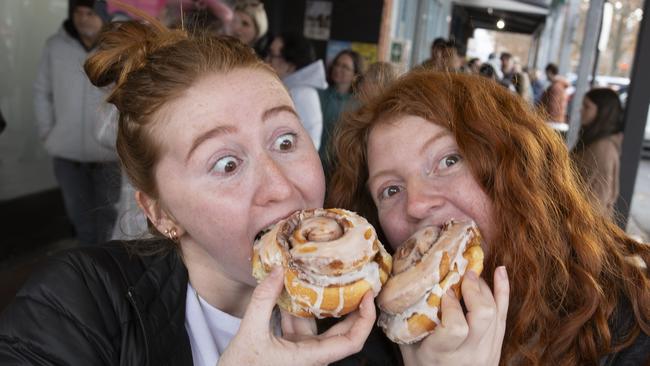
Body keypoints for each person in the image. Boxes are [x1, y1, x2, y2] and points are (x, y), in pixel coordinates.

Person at [0, 14, 379, 365]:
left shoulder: (365, 314)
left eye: (284, 142)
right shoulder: (76, 303)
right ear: (161, 212)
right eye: (226, 164)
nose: (280, 187)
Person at [328, 71, 650, 365]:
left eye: (449, 160)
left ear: (517, 170)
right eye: (391, 190)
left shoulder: (633, 325)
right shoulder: (365, 340)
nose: (417, 204)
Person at [33, 0, 121, 245]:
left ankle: (105, 277)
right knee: (81, 224)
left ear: (103, 15)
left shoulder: (117, 48)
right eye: (78, 13)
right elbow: (42, 91)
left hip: (108, 157)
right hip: (67, 156)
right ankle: (87, 277)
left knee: (109, 223)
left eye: (90, 13)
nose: (83, 18)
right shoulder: (55, 46)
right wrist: (47, 132)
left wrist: (122, 138)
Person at [266, 33, 327, 149]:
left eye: (272, 55)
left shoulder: (301, 94)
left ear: (290, 65)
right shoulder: (294, 89)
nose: (266, 59)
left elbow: (309, 145)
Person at [572, 88, 625, 219]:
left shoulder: (603, 149)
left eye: (587, 106)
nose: (581, 110)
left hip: (581, 227)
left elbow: (595, 201)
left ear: (603, 113)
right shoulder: (595, 141)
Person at [318, 50, 363, 172]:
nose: (338, 68)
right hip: (313, 160)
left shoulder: (359, 105)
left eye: (345, 67)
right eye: (337, 64)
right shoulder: (319, 93)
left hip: (338, 169)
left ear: (355, 74)